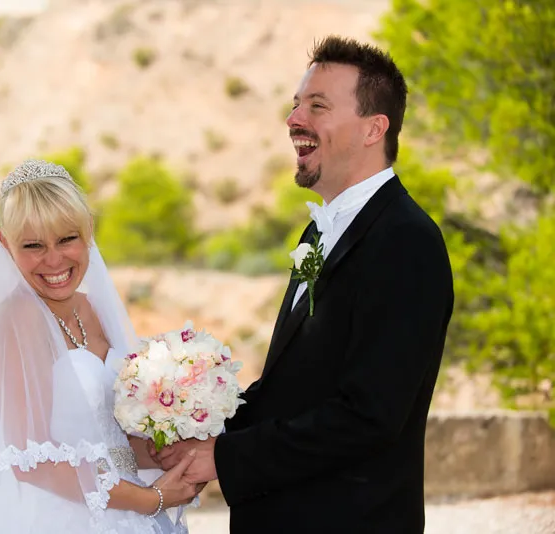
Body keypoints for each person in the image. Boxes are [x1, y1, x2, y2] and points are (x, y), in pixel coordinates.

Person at [155, 35, 455, 533]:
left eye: (317, 105)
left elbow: (369, 417)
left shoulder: (407, 241)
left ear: (372, 129)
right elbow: (295, 388)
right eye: (296, 104)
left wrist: (225, 459)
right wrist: (202, 429)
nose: (294, 119)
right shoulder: (320, 230)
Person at [0, 159, 200, 533]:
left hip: (126, 505)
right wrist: (153, 500)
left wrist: (161, 451)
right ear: (5, 244)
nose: (54, 260)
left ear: (88, 230)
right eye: (33, 245)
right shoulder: (16, 320)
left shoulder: (94, 308)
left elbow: (108, 439)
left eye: (67, 239)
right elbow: (31, 463)